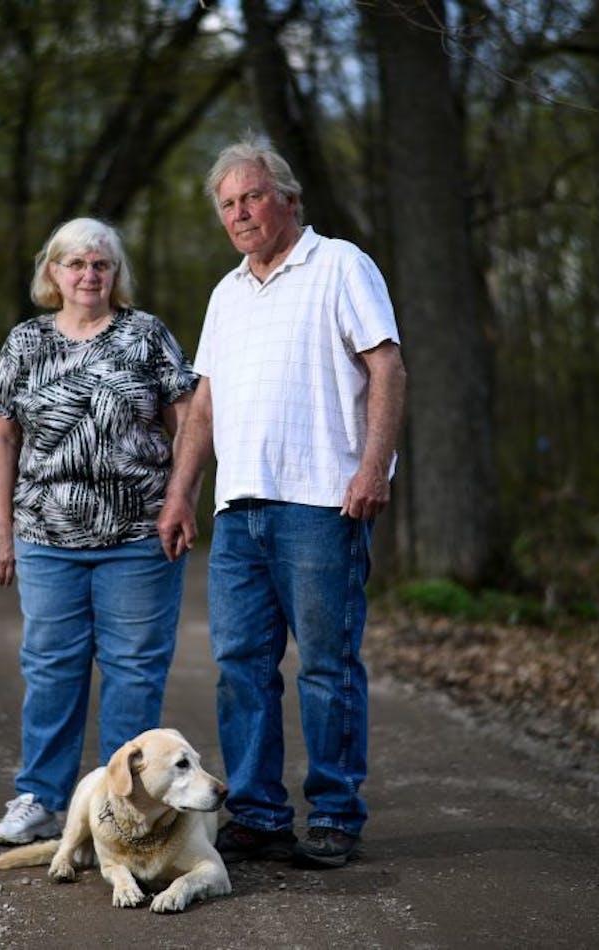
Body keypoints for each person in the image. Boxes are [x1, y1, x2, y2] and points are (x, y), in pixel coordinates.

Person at [157, 137, 406, 870]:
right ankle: (260, 815)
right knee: (241, 667)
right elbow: (202, 408)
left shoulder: (340, 264)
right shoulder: (225, 293)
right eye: (227, 204)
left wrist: (373, 468)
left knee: (327, 666)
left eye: (252, 196)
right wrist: (181, 494)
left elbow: (386, 365)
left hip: (322, 505)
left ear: (288, 201)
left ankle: (334, 812)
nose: (240, 212)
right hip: (239, 513)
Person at [0, 216, 197, 846]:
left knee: (133, 670)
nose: (88, 274)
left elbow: (188, 422)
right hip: (45, 537)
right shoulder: (25, 343)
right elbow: (0, 436)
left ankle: (126, 811)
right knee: (51, 668)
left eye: (100, 264)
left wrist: (183, 498)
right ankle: (40, 799)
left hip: (139, 534)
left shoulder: (146, 335)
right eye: (74, 263)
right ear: (53, 272)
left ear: (115, 273)